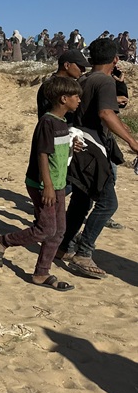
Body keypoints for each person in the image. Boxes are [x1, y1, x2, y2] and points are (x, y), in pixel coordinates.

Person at [0, 77, 82, 290]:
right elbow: (42, 154)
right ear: (63, 99)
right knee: (45, 229)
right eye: (76, 96)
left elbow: (56, 152)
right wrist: (47, 185)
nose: (79, 100)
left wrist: (71, 147)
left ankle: (41, 273)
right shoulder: (47, 122)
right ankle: (1, 242)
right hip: (43, 185)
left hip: (58, 184)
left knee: (59, 231)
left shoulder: (62, 123)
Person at [60, 38, 138, 278]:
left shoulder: (83, 79)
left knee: (81, 201)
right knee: (108, 204)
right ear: (115, 59)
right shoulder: (104, 81)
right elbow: (105, 113)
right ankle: (83, 253)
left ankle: (64, 246)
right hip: (92, 149)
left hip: (79, 148)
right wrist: (132, 141)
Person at [36, 50, 88, 119]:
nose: (83, 70)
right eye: (80, 66)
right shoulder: (51, 86)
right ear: (67, 65)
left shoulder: (67, 84)